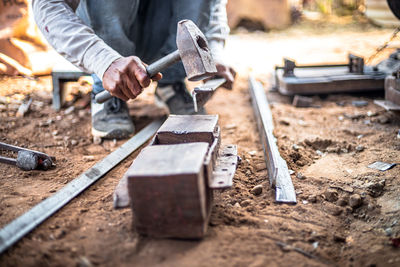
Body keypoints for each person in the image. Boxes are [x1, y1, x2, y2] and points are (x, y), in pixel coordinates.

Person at [32, 0, 236, 139]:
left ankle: (170, 82)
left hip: (155, 28)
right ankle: (110, 91)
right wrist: (102, 60)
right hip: (106, 35)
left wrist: (214, 50)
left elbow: (213, 3)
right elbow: (48, 5)